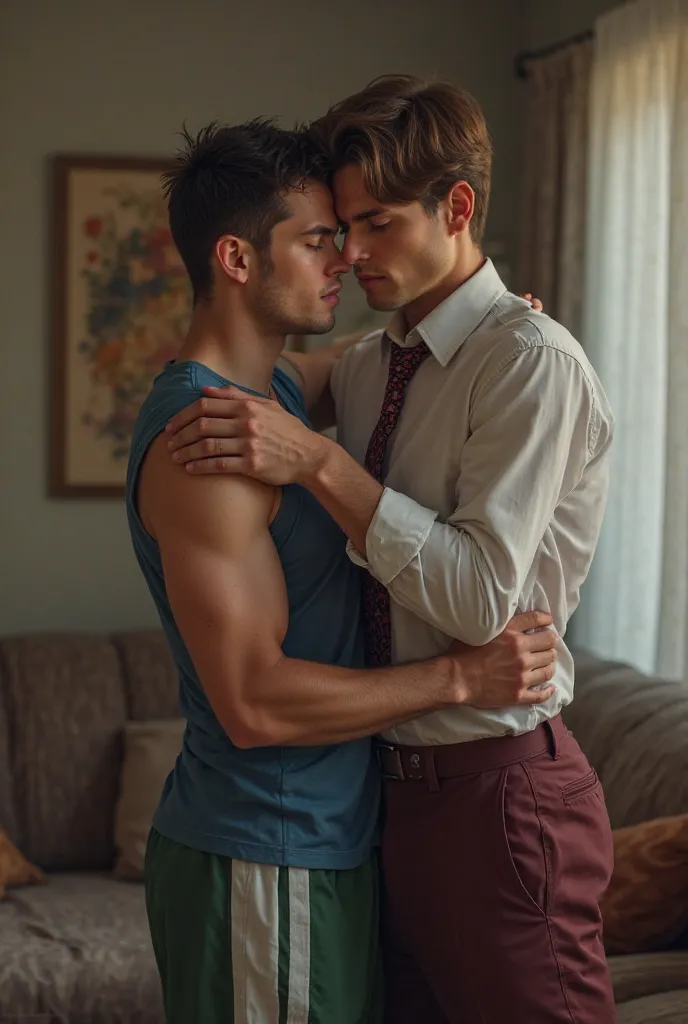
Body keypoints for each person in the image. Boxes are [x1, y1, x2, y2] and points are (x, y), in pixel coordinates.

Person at [165, 77, 617, 1024]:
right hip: (389, 808)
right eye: (334, 232)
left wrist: (326, 463)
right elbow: (249, 356)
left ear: (456, 208)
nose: (353, 256)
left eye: (373, 225)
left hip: (501, 796)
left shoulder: (527, 362)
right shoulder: (374, 364)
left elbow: (480, 602)